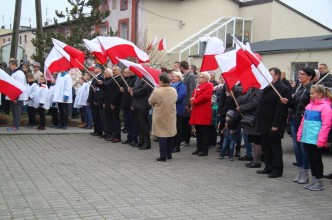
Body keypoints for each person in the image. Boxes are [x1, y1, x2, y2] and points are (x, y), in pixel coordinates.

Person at [255, 67, 291, 178]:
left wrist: (275, 125)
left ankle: (277, 169)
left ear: (277, 76)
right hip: (264, 123)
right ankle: (268, 166)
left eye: (270, 74)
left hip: (273, 123)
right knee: (266, 147)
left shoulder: (282, 89)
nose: (267, 76)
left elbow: (281, 110)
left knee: (275, 148)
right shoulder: (268, 87)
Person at [297, 85, 332, 191]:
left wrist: (321, 140)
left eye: (312, 93)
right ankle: (314, 180)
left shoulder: (326, 107)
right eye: (310, 93)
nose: (310, 95)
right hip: (307, 138)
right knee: (311, 159)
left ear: (320, 94)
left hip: (316, 139)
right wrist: (300, 133)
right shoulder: (309, 106)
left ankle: (319, 181)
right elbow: (303, 122)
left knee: (317, 160)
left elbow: (326, 125)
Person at [289, 68, 316, 184]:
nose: (300, 76)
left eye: (303, 74)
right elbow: (294, 104)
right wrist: (288, 101)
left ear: (309, 76)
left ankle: (305, 172)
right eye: (299, 73)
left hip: (305, 120)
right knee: (296, 147)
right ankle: (299, 171)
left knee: (303, 147)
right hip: (295, 119)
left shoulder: (312, 89)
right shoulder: (299, 88)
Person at [149, 73, 178, 161]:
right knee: (170, 134)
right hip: (171, 115)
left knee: (162, 135)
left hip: (160, 115)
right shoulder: (173, 90)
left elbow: (150, 101)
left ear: (161, 80)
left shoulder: (157, 91)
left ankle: (163, 155)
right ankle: (169, 154)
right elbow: (175, 99)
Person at [237, 87, 263, 167]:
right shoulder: (251, 90)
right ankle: (255, 159)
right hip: (250, 117)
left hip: (256, 118)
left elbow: (255, 103)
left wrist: (242, 108)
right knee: (254, 140)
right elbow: (246, 100)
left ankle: (257, 161)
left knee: (257, 140)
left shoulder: (259, 90)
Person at [190, 72, 213, 156]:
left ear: (205, 78)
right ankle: (199, 148)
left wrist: (194, 101)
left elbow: (205, 97)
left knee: (204, 132)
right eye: (199, 77)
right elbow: (193, 95)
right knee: (198, 131)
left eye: (200, 77)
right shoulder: (198, 86)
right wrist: (192, 99)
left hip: (203, 111)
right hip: (197, 110)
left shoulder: (208, 85)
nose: (198, 78)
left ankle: (204, 149)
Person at [131, 76, 153, 150]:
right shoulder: (139, 77)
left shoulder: (148, 78)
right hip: (137, 104)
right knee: (139, 124)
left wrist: (134, 92)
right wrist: (132, 89)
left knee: (144, 125)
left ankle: (147, 143)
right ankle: (141, 141)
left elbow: (145, 89)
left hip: (143, 104)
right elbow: (136, 87)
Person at [6, 59, 27, 131]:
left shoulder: (19, 74)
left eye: (10, 66)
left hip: (17, 96)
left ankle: (16, 125)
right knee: (14, 111)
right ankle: (14, 125)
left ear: (14, 65)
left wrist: (16, 97)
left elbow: (19, 86)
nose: (10, 67)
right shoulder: (15, 72)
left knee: (17, 111)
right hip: (13, 96)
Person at [170, 70, 187, 152]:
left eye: (174, 76)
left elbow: (180, 96)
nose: (172, 77)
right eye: (172, 76)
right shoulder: (170, 85)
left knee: (177, 128)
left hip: (178, 110)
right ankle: (171, 145)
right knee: (171, 128)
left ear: (179, 78)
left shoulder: (182, 86)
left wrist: (169, 99)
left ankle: (176, 146)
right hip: (170, 109)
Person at [180, 61, 196, 147]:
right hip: (183, 103)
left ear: (182, 67)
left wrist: (189, 104)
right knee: (183, 122)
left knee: (186, 122)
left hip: (187, 103)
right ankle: (183, 139)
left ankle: (186, 140)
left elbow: (192, 90)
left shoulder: (191, 76)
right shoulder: (185, 76)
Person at [121, 68, 138, 145]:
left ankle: (134, 138)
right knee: (127, 122)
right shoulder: (126, 79)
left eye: (130, 71)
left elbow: (136, 90)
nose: (129, 72)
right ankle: (129, 137)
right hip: (125, 103)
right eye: (128, 71)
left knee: (132, 122)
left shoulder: (136, 79)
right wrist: (121, 89)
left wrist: (133, 89)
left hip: (131, 104)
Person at [87, 64, 104, 136]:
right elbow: (91, 90)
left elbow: (100, 89)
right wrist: (89, 100)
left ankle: (99, 131)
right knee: (95, 116)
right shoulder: (95, 77)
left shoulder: (100, 77)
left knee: (97, 116)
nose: (94, 69)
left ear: (100, 69)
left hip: (96, 99)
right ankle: (96, 130)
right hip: (93, 99)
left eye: (95, 68)